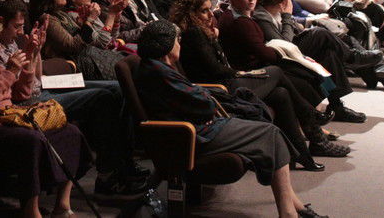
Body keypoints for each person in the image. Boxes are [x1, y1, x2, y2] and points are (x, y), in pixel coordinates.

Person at [133, 20, 327, 218]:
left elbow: (194, 99)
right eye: (177, 41)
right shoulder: (159, 72)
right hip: (192, 135)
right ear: (167, 45)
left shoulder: (157, 68)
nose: (179, 45)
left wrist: (203, 98)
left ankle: (293, 208)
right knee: (271, 132)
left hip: (197, 127)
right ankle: (290, 212)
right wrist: (205, 100)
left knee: (270, 126)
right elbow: (203, 104)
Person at [169, 0, 349, 164]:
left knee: (280, 93)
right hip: (219, 89)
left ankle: (301, 152)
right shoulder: (194, 34)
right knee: (277, 72)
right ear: (190, 13)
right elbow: (214, 69)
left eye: (209, 9)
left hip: (225, 82)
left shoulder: (203, 32)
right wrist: (239, 73)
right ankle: (311, 118)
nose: (210, 14)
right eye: (203, 11)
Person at [0, 13, 90, 218]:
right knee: (32, 140)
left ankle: (62, 205)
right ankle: (31, 210)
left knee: (69, 130)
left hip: (12, 120)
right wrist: (10, 71)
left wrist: (29, 57)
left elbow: (22, 93)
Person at [219, 0, 369, 123]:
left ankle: (337, 106)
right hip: (273, 59)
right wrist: (287, 16)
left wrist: (290, 20)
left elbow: (292, 32)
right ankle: (352, 58)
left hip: (280, 53)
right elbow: (283, 43)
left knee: (328, 53)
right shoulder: (259, 16)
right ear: (284, 2)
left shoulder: (250, 14)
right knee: (319, 35)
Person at [29, 0, 126, 80]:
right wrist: (91, 20)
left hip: (91, 56)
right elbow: (73, 45)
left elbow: (102, 40)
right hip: (79, 64)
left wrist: (83, 23)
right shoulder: (47, 19)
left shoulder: (60, 14)